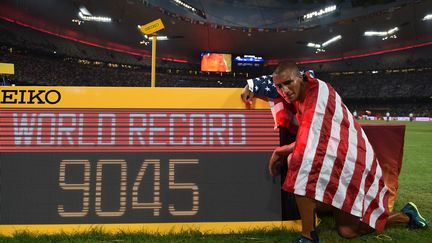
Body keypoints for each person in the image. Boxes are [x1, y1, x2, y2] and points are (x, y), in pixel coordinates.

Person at [241, 62, 428, 243]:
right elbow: (281, 80)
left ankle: (308, 237)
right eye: (279, 87)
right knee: (346, 230)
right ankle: (406, 215)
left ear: (301, 77)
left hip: (352, 161)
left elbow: (309, 139)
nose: (284, 90)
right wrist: (252, 85)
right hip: (333, 158)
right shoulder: (298, 90)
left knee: (299, 161)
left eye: (288, 83)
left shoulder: (319, 92)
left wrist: (280, 151)